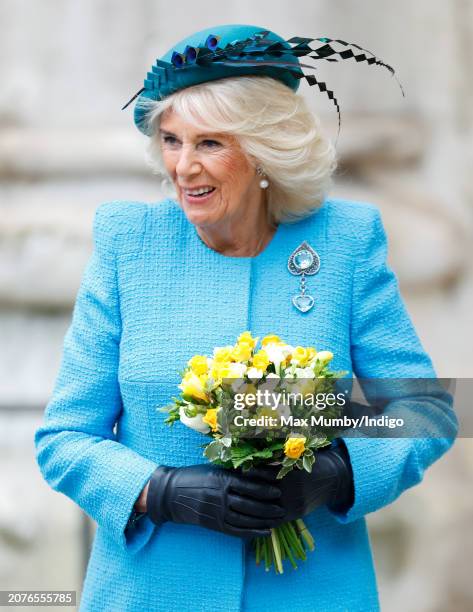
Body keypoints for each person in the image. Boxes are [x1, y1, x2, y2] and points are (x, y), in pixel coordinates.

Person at [34, 24, 457, 612]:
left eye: (210, 143)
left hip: (313, 594)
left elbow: (426, 410)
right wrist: (161, 492)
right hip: (151, 593)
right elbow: (65, 437)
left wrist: (336, 471)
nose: (183, 167)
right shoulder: (130, 244)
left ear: (265, 150)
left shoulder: (344, 243)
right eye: (172, 140)